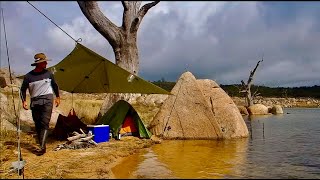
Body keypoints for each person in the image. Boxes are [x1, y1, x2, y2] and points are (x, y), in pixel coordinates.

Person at [20, 53, 60, 155]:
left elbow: (55, 86)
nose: (46, 63)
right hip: (35, 101)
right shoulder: (28, 77)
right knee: (38, 124)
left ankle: (42, 147)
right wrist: (24, 101)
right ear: (39, 64)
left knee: (45, 123)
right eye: (44, 62)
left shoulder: (49, 74)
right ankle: (42, 145)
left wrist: (58, 97)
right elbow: (22, 89)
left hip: (47, 99)